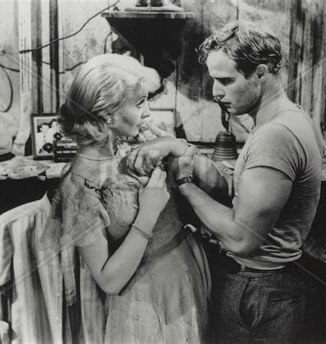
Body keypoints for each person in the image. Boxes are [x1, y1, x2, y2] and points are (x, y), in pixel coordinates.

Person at [133, 21, 322, 343]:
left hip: (256, 291)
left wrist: (185, 184)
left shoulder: (275, 136)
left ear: (260, 73)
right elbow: (240, 190)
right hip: (265, 287)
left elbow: (241, 239)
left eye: (225, 80)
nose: (215, 92)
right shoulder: (290, 118)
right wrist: (183, 150)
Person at [46, 54, 210, 343]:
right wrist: (148, 212)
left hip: (183, 277)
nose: (148, 113)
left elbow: (203, 171)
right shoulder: (78, 188)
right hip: (145, 298)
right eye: (139, 104)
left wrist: (172, 143)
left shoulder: (136, 139)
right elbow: (109, 280)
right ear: (106, 114)